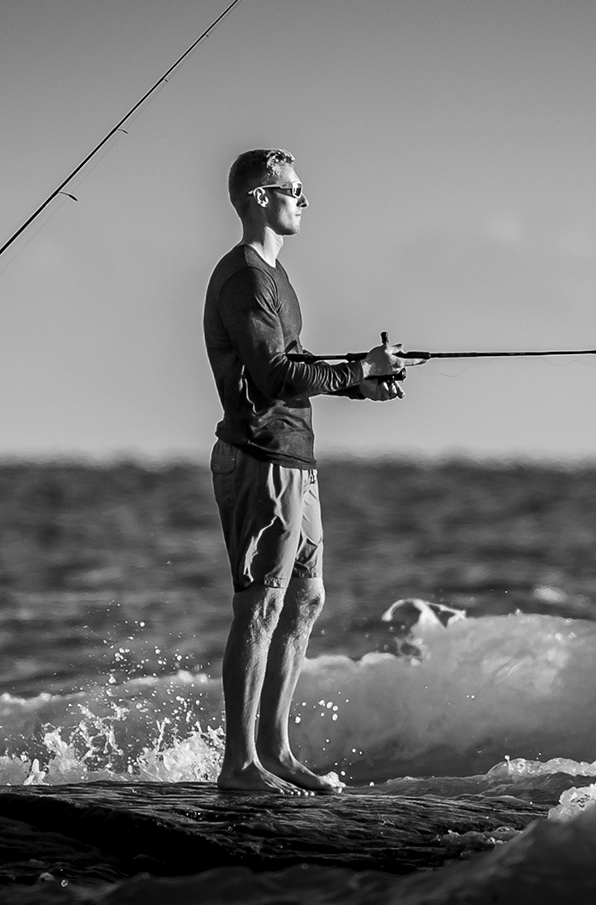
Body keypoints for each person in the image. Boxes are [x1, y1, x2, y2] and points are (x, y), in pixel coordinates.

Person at [203, 149, 405, 793]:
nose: (303, 199)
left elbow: (292, 361)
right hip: (260, 457)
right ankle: (239, 766)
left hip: (295, 456)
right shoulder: (245, 279)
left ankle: (276, 753)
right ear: (261, 196)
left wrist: (359, 383)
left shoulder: (274, 276)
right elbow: (273, 376)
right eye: (294, 189)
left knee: (307, 597)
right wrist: (361, 368)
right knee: (259, 605)